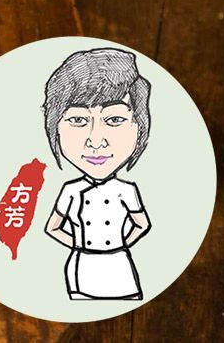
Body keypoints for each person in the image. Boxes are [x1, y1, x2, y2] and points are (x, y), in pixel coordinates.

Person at [40, 47, 152, 300]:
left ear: (139, 126)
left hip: (118, 263)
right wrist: (80, 246)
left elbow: (142, 223)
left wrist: (119, 246)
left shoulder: (126, 190)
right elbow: (52, 227)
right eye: (78, 120)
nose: (95, 141)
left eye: (114, 120)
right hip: (82, 264)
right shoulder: (71, 190)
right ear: (55, 126)